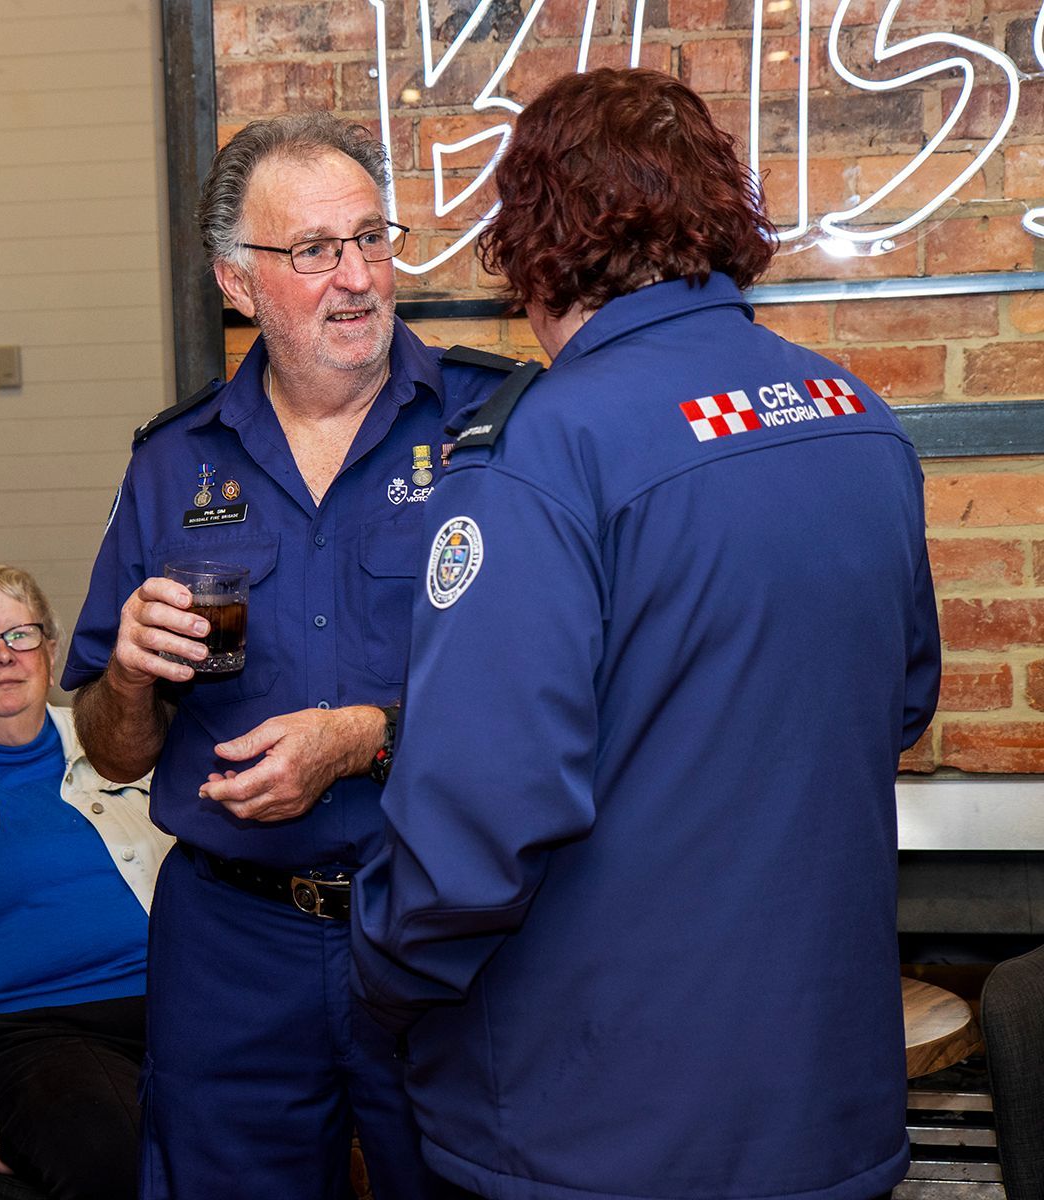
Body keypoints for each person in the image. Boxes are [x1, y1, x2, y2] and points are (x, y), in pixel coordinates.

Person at [351, 68, 941, 1200]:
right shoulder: (857, 417)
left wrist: (377, 965)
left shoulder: (536, 456)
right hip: (824, 1110)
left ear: (535, 242)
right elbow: (902, 704)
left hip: (599, 1125)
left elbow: (477, 821)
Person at [63, 111, 515, 1198]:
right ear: (236, 281)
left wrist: (366, 738)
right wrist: (127, 674)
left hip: (440, 920)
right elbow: (114, 750)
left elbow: (563, 689)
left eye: (371, 238)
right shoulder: (174, 463)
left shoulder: (494, 427)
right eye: (314, 251)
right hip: (232, 945)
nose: (356, 276)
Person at [0, 563, 173, 1200]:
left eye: (20, 634)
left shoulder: (127, 746)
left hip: (175, 1008)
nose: (3, 656)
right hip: (30, 1030)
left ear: (50, 649)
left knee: (263, 1135)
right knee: (115, 1158)